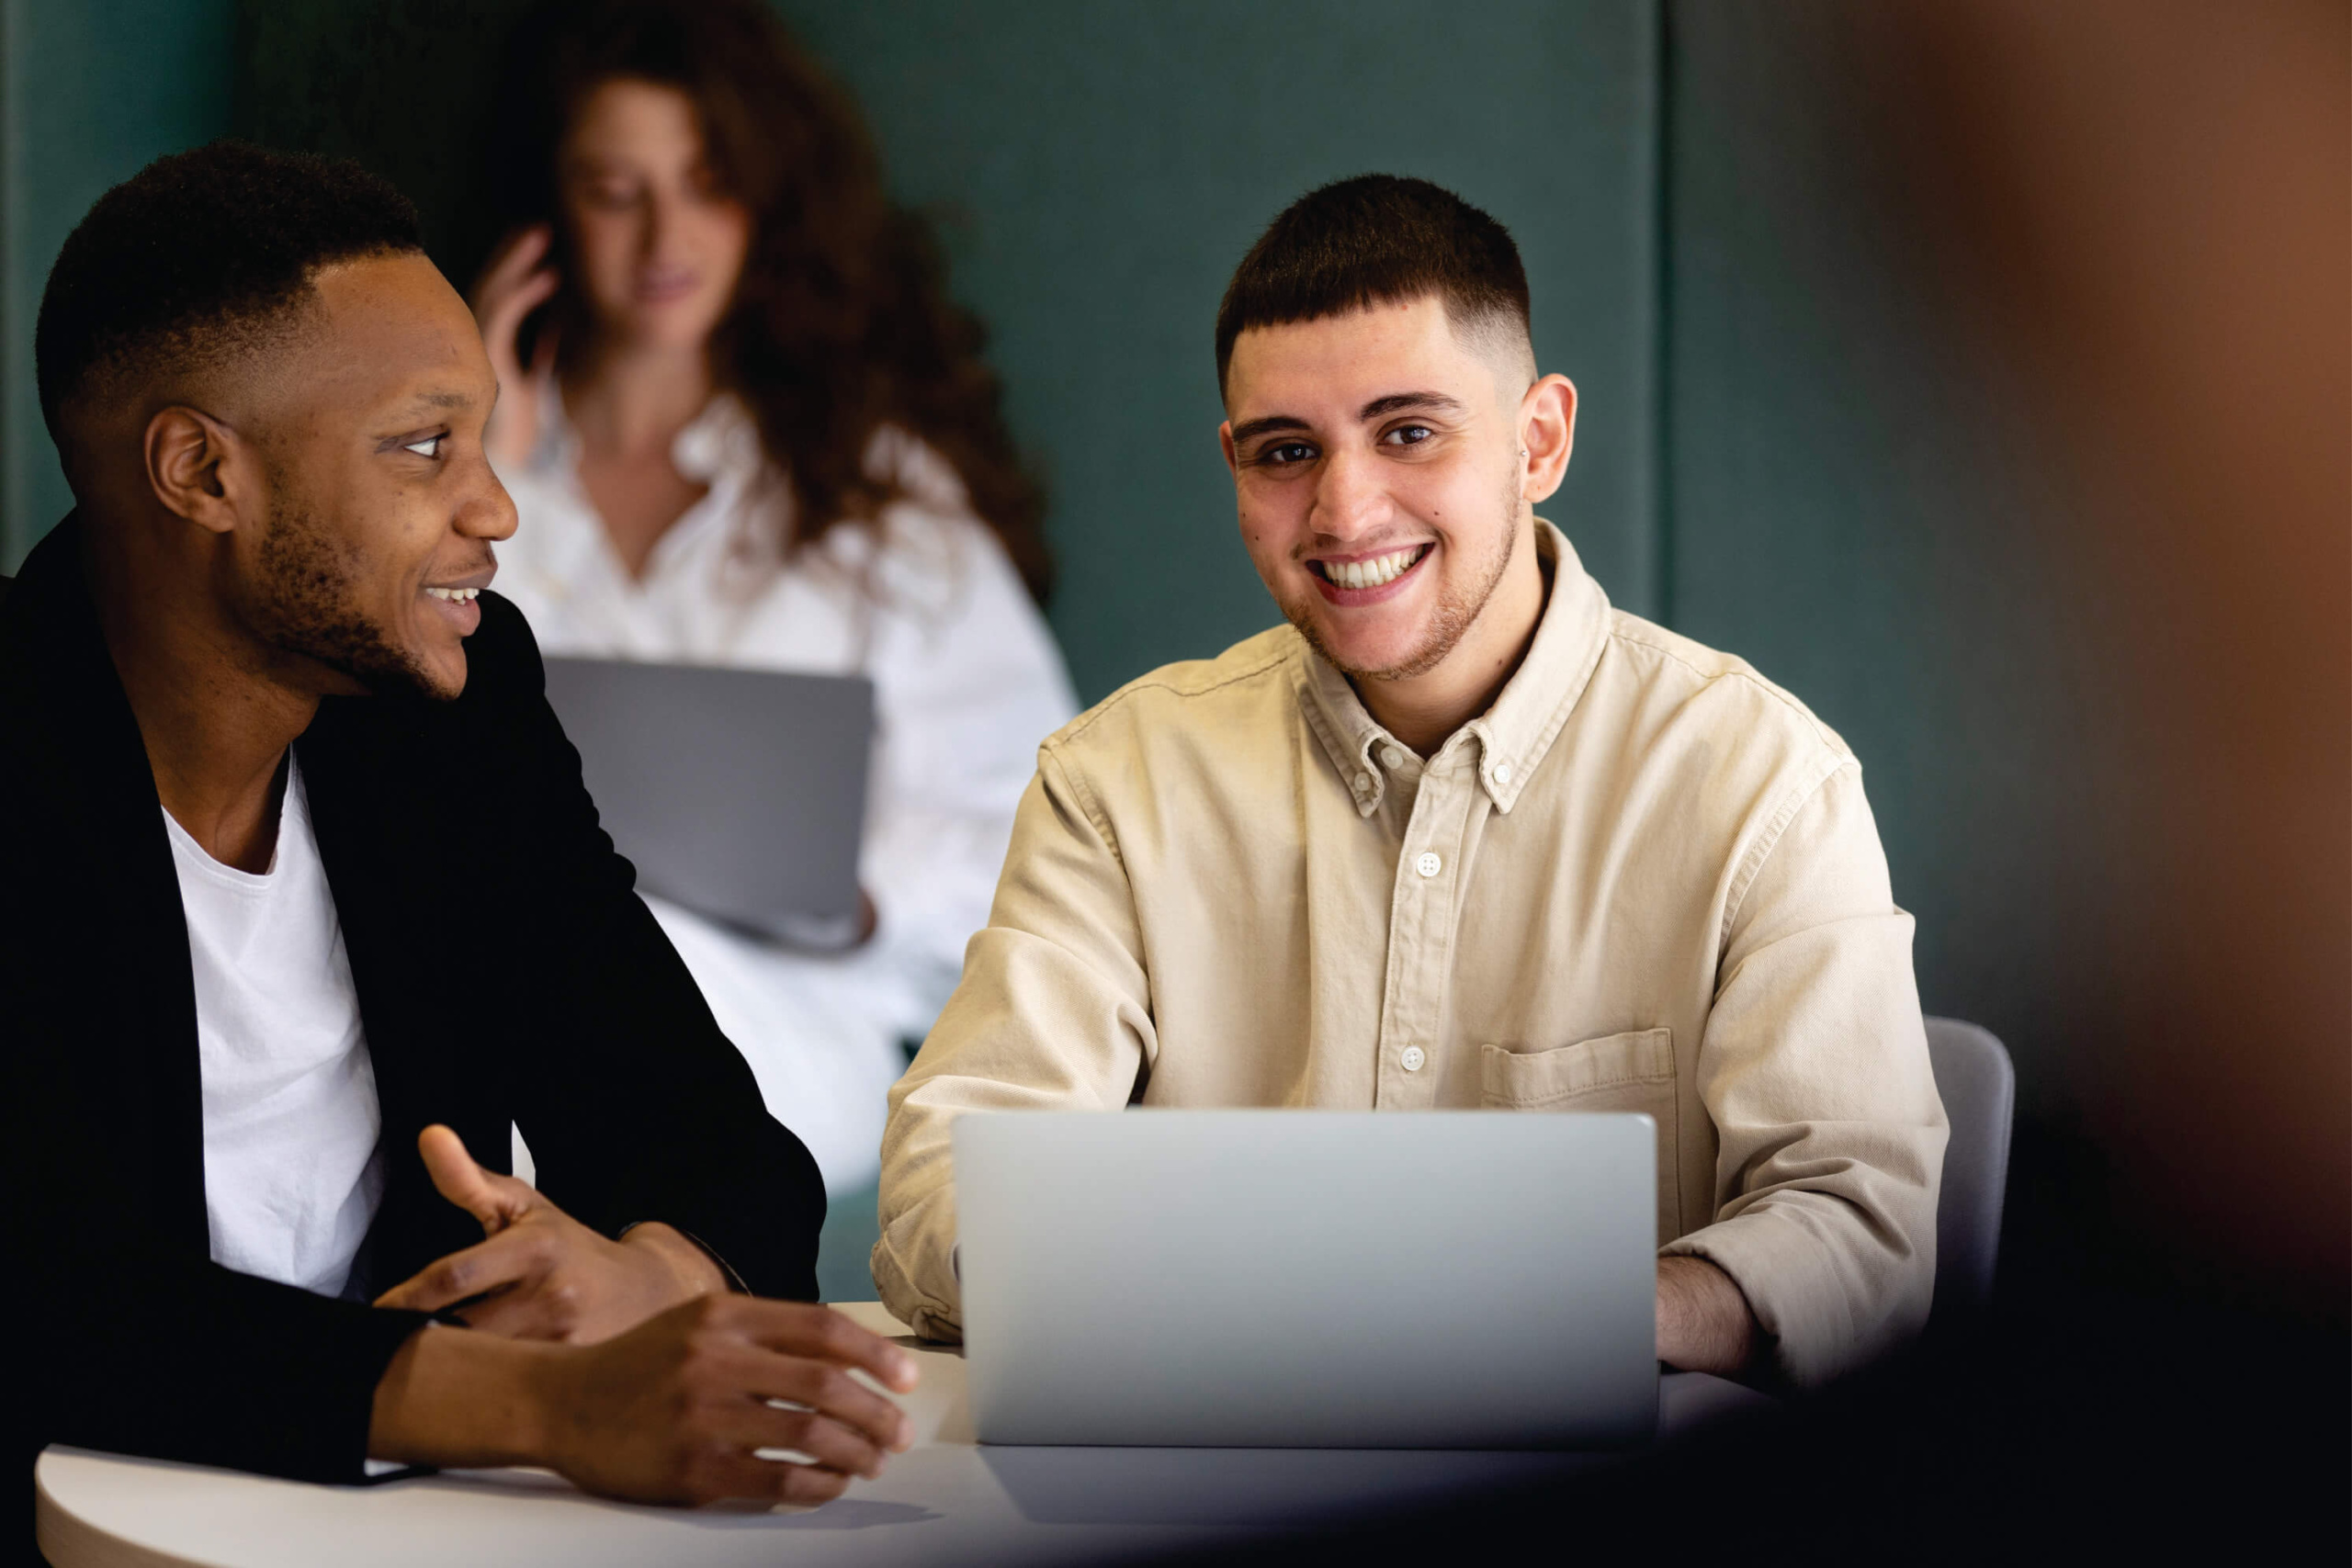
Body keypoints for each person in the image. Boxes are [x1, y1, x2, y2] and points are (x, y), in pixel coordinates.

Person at [876, 176, 1950, 1387]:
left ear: (1538, 441)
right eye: (1288, 453)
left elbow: (1867, 1234)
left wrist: (1595, 1313)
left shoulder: (1763, 782)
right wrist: (1222, 1303)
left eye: (1408, 432)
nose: (1344, 509)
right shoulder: (1118, 782)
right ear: (1235, 469)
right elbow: (937, 1191)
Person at [2, 141, 922, 1544]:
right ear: (200, 471)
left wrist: (651, 1283)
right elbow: (58, 1310)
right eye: (426, 445)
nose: (494, 509)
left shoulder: (451, 710)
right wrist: (543, 1404)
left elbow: (713, 1139)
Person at [469, 0, 1076, 1195]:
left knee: (613, 1014)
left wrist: (852, 896)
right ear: (549, 210)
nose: (663, 238)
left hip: (784, 1015)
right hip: (506, 973)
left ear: (767, 201)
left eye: (706, 183)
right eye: (615, 190)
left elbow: (1038, 827)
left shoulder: (876, 500)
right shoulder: (487, 475)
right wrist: (477, 462)